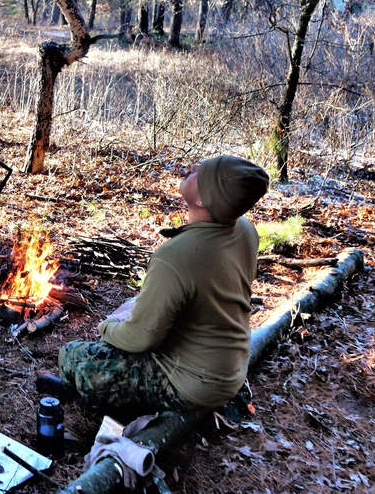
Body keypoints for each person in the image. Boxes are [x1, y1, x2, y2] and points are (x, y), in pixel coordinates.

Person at [39, 155, 270, 414]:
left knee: (73, 356)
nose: (193, 167)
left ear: (203, 200)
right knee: (135, 306)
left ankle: (117, 406)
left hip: (194, 385)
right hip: (231, 366)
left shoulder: (176, 256)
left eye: (200, 172)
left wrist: (109, 326)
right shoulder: (245, 230)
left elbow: (139, 339)